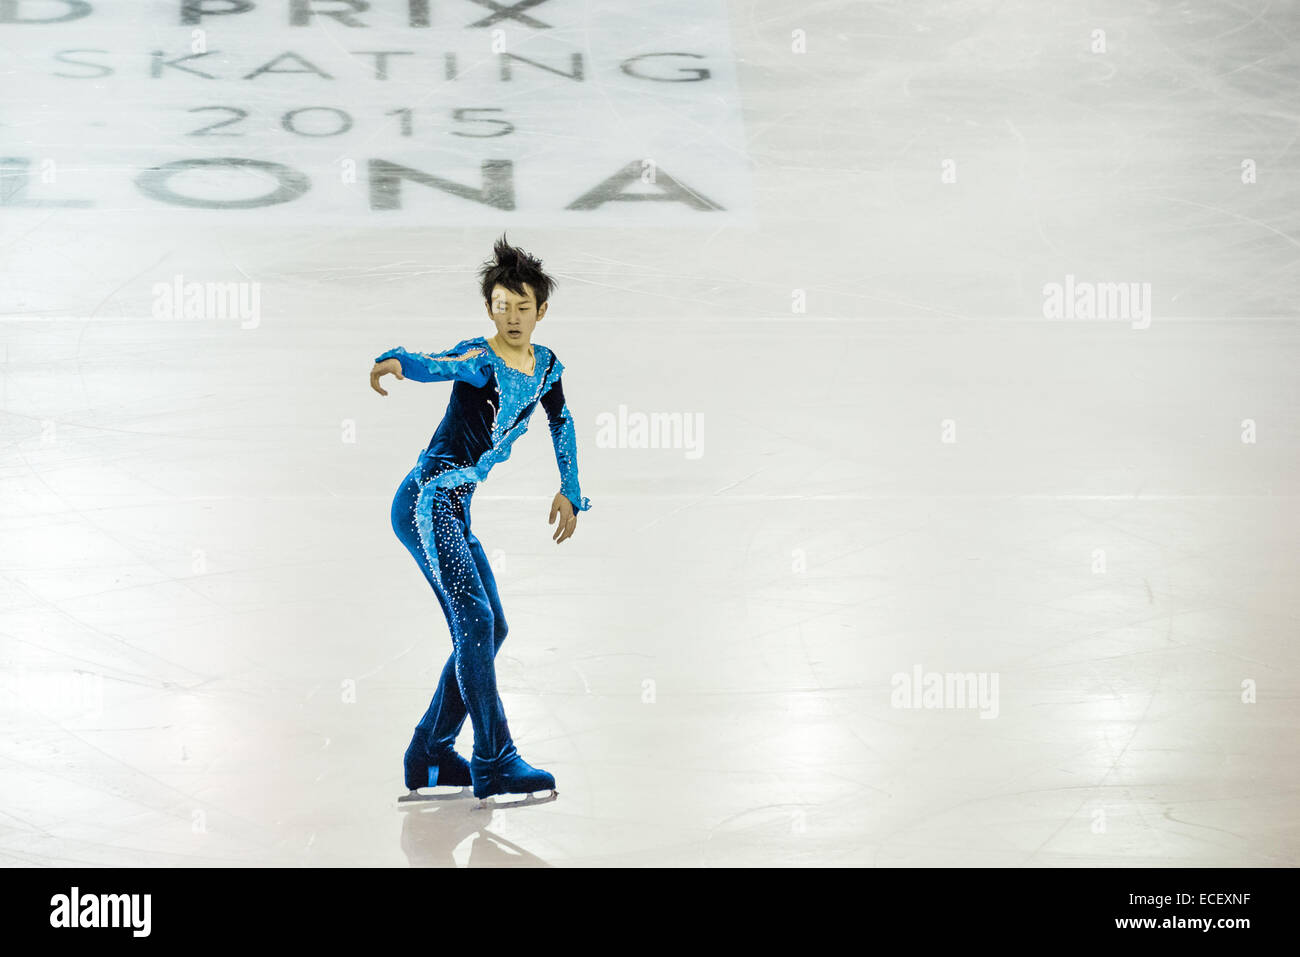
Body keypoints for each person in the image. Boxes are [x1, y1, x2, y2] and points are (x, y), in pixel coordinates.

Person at [370, 235, 591, 803]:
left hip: (455, 508)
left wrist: (569, 490)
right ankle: (494, 759)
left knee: (492, 626)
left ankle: (431, 753)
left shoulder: (545, 368)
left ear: (541, 311)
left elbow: (560, 423)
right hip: (427, 502)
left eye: (524, 307)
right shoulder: (479, 359)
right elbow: (434, 365)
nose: (513, 317)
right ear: (488, 308)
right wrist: (399, 360)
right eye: (502, 305)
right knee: (474, 625)